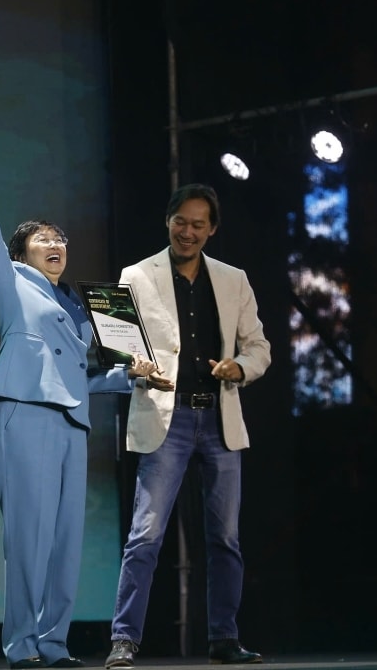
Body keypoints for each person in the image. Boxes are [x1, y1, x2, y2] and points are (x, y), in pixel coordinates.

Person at [0, 129, 169, 669]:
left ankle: (53, 643)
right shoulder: (10, 282)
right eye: (43, 238)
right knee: (29, 535)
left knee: (66, 539)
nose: (56, 242)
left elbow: (79, 378)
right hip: (24, 411)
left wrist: (132, 375)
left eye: (60, 237)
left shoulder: (77, 306)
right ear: (21, 253)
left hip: (70, 422)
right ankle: (22, 645)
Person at [104, 183, 271, 668]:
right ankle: (123, 639)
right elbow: (117, 347)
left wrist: (239, 367)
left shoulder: (234, 279)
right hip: (167, 416)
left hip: (219, 417)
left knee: (225, 538)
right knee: (146, 534)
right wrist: (134, 365)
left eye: (199, 224)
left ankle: (224, 638)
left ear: (212, 229)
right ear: (168, 221)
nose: (188, 231)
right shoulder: (136, 275)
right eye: (181, 221)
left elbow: (259, 347)